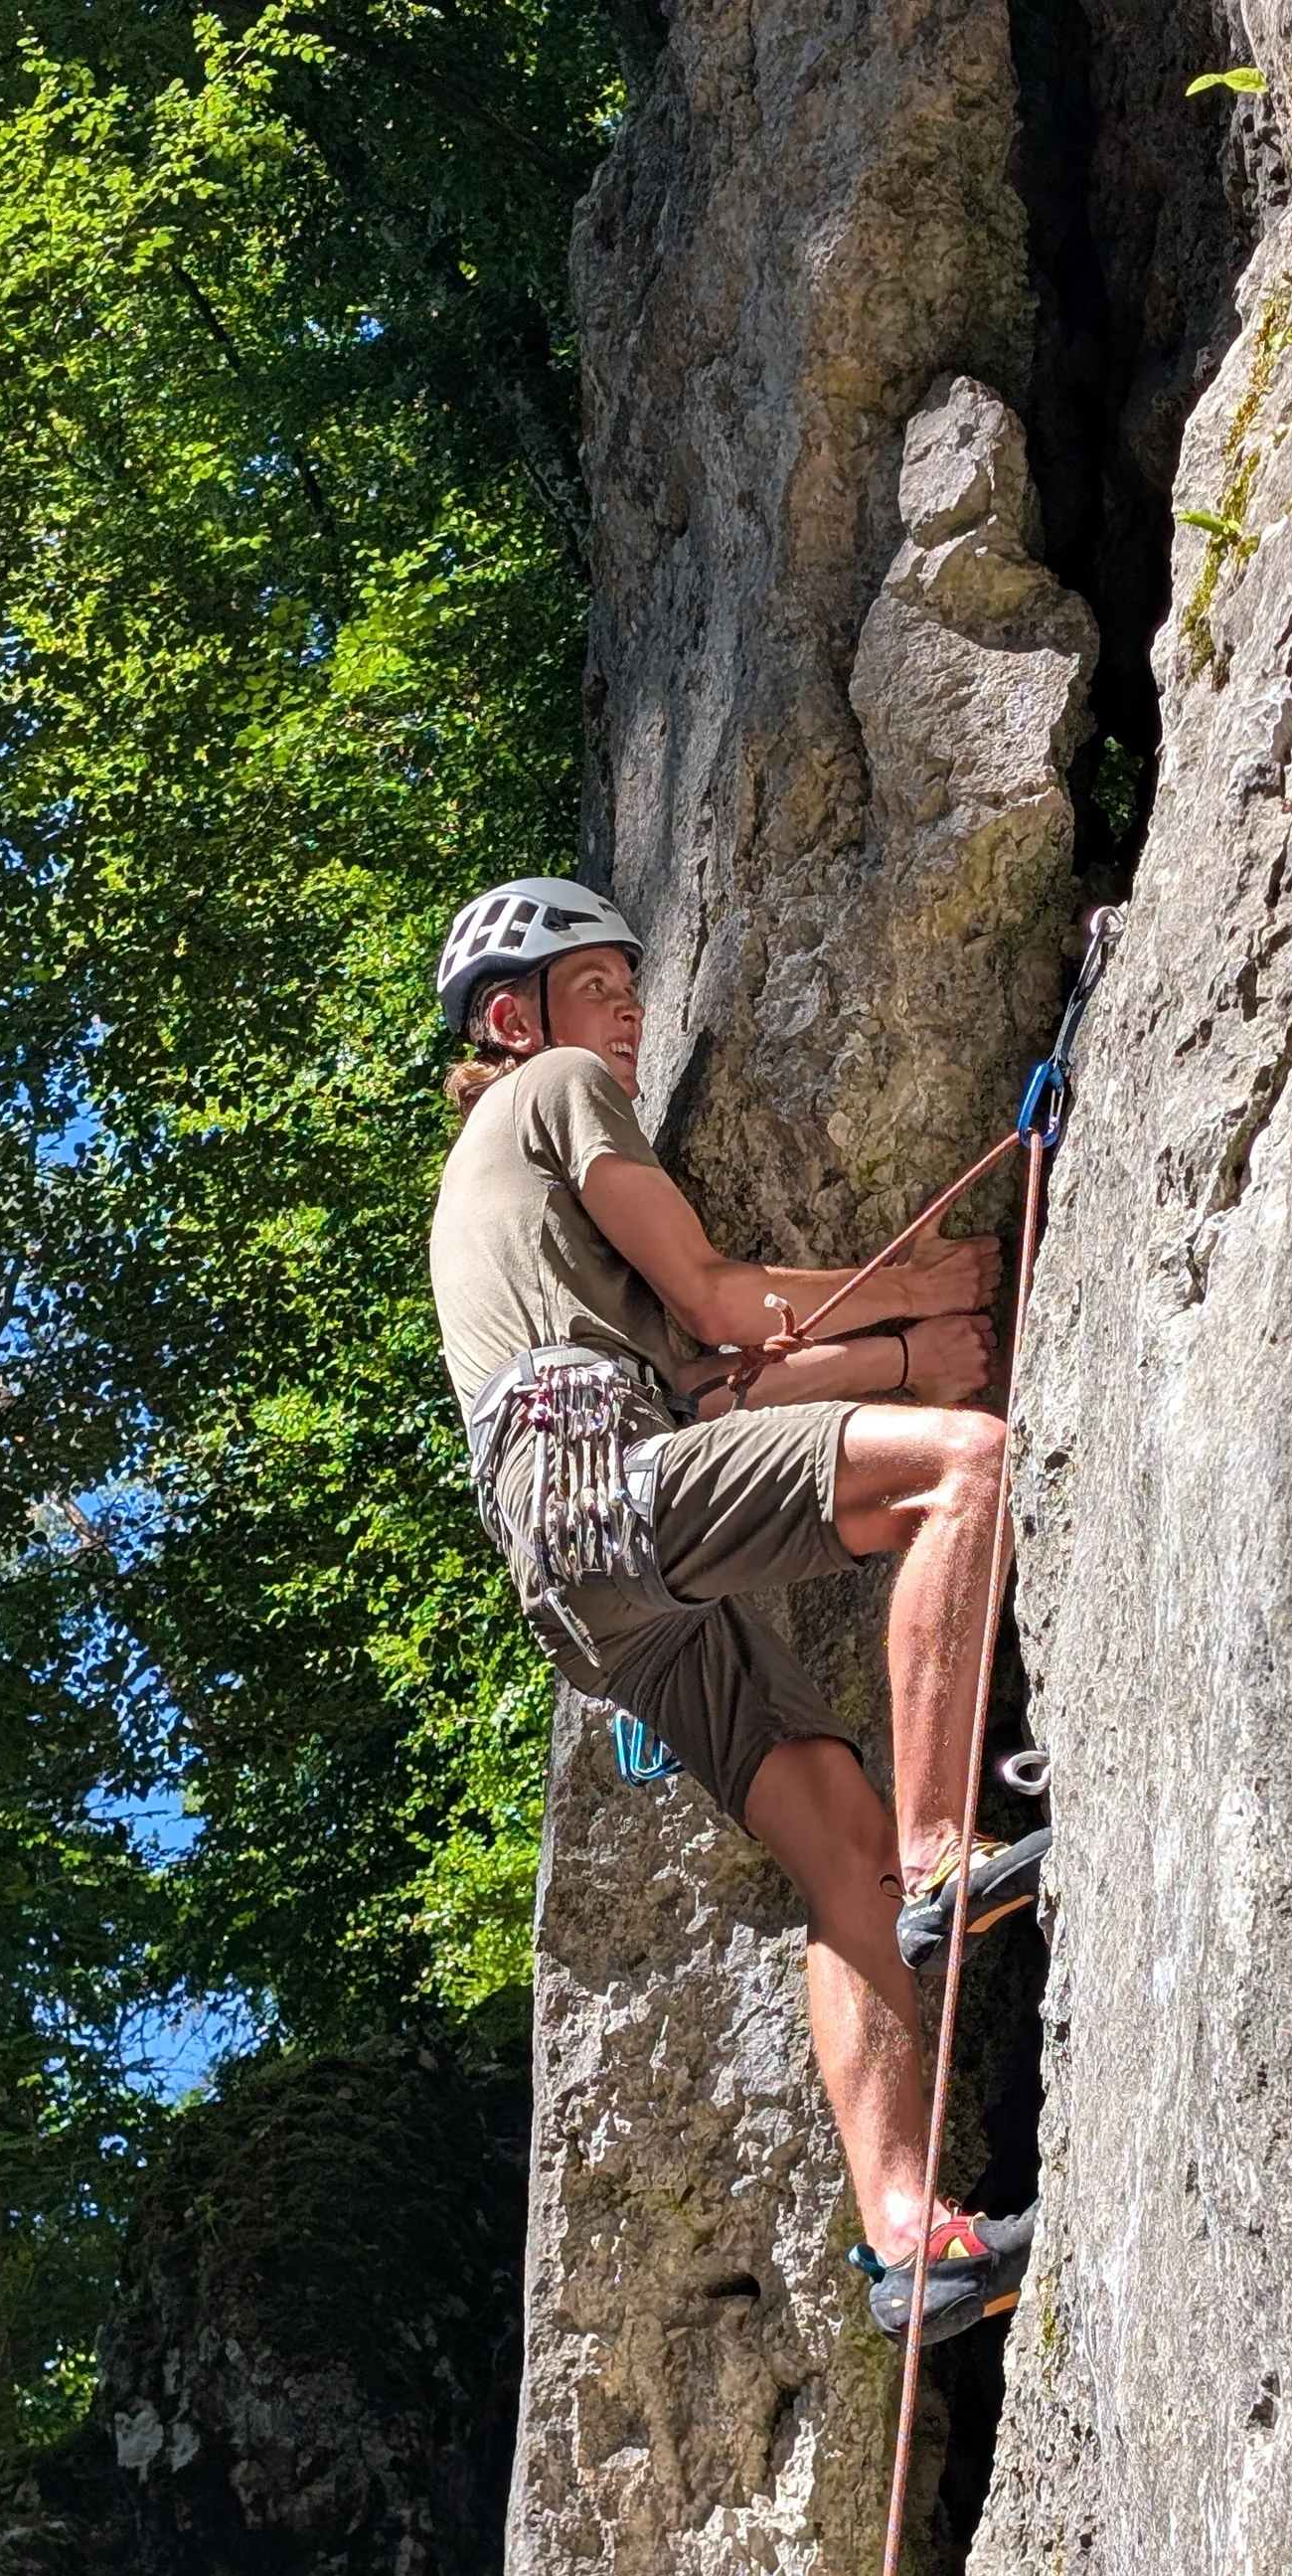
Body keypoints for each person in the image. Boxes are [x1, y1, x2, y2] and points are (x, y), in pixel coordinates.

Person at [427, 877, 1043, 2342]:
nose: (628, 1012)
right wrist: (915, 1290)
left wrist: (905, 1352)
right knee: (969, 1478)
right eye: (598, 986)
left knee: (833, 1837)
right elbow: (714, 1300)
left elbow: (727, 1392)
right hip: (597, 1481)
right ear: (518, 1020)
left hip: (585, 1577)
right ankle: (953, 1845)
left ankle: (910, 2241)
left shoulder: (526, 1243)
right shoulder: (556, 1092)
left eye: (633, 987)